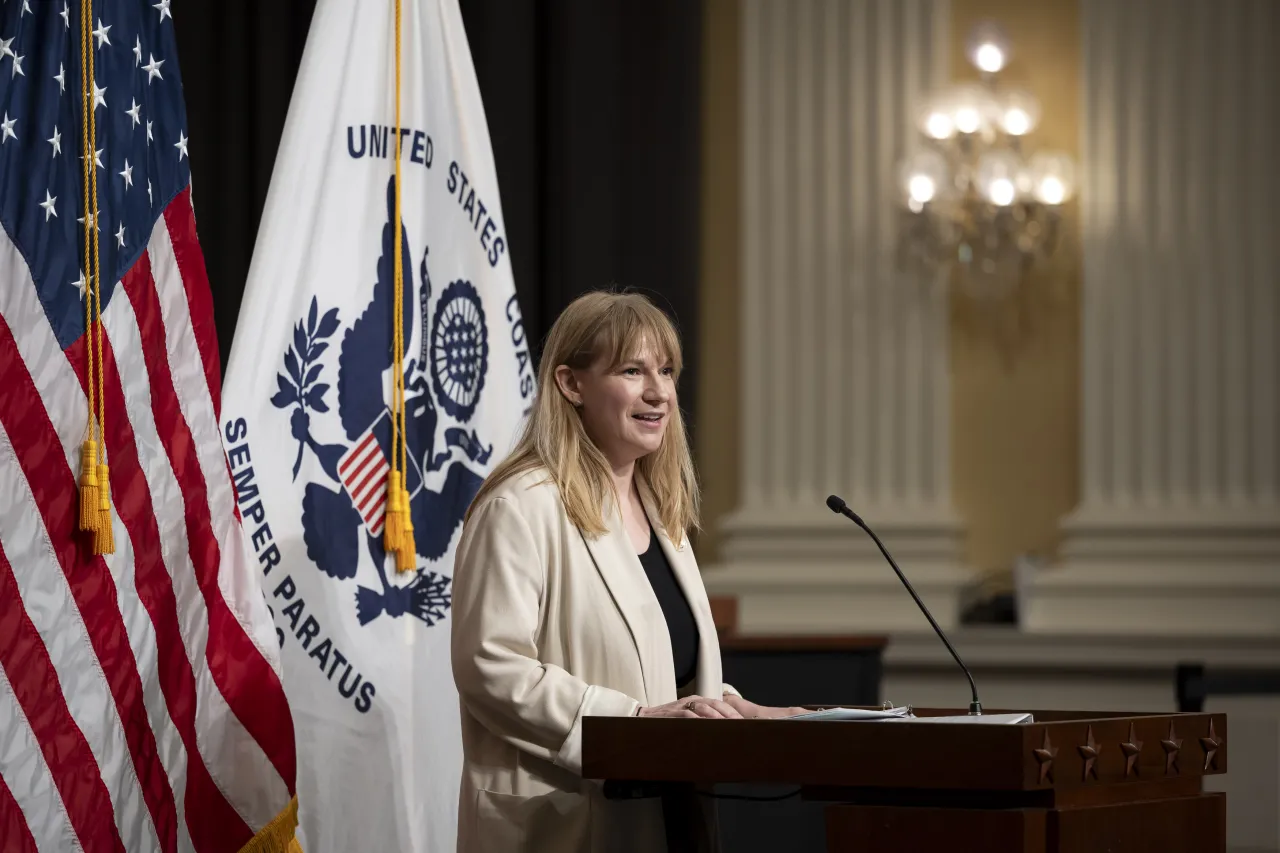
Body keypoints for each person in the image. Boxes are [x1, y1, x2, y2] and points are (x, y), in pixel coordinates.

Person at [451, 291, 804, 852]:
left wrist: (737, 710)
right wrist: (633, 720)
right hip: (563, 820)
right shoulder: (520, 505)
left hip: (672, 812)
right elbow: (490, 667)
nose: (659, 391)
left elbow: (658, 669)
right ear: (571, 384)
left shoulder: (661, 510)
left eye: (666, 371)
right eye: (633, 370)